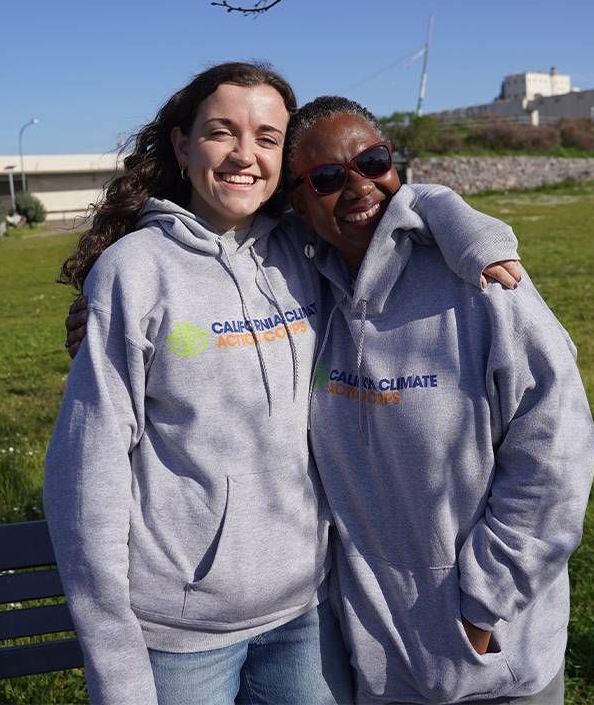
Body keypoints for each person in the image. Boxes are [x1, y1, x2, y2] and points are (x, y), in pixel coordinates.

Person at [44, 62, 521, 705]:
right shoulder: (132, 274)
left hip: (308, 611)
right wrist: (118, 669)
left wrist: (476, 237)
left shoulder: (302, 251)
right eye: (222, 133)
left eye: (267, 138)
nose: (245, 155)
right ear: (182, 146)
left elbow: (396, 199)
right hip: (183, 634)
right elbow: (86, 481)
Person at [283, 96, 594, 704]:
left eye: (373, 161)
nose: (358, 187)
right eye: (327, 178)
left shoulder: (483, 283)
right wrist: (109, 301)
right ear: (296, 202)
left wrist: (485, 603)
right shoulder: (305, 290)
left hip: (493, 656)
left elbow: (556, 451)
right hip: (375, 659)